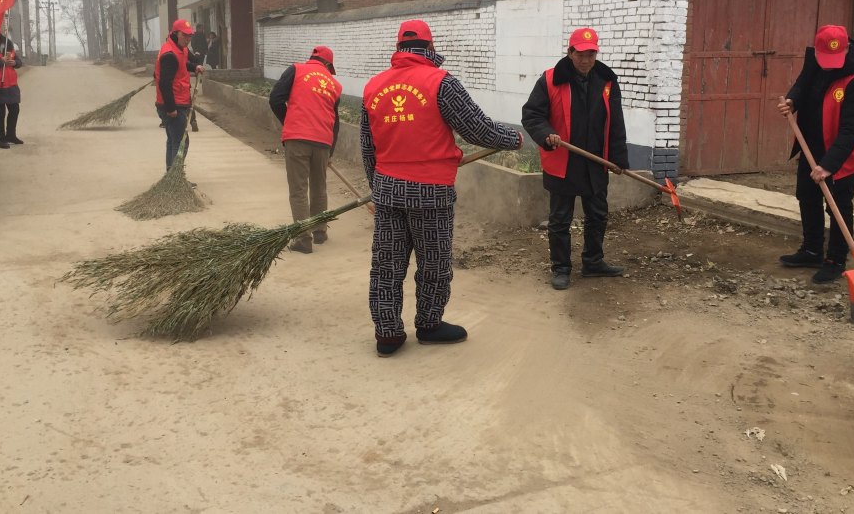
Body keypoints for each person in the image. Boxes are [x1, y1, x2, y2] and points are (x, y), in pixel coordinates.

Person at [361, 19, 522, 357]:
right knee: (433, 262)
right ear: (430, 48)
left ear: (398, 48)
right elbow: (477, 129)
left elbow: (367, 147)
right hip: (430, 192)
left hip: (388, 190)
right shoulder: (441, 83)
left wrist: (376, 188)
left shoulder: (373, 87)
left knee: (387, 264)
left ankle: (387, 333)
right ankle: (429, 325)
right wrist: (513, 138)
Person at [521, 27, 630, 291]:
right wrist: (547, 134)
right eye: (581, 54)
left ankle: (593, 262)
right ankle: (561, 268)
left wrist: (618, 159)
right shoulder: (550, 80)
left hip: (595, 161)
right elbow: (532, 115)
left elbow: (615, 121)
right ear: (570, 52)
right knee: (560, 219)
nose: (586, 60)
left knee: (598, 215)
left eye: (591, 54)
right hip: (564, 161)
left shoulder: (606, 80)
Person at [777, 25, 854, 284]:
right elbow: (803, 84)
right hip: (812, 143)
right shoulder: (815, 61)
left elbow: (853, 127)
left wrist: (829, 165)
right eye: (825, 60)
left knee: (838, 205)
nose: (829, 66)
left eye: (835, 60)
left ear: (846, 50)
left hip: (843, 152)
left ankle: (835, 259)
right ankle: (811, 250)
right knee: (807, 196)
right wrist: (792, 100)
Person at [269, 45, 342, 254]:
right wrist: (331, 151)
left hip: (297, 139)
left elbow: (275, 99)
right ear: (328, 64)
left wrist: (289, 121)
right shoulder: (334, 84)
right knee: (319, 187)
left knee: (298, 189)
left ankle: (303, 239)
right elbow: (336, 122)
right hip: (323, 141)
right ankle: (320, 231)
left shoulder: (296, 70)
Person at [154, 18, 205, 170]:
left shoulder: (179, 48)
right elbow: (164, 83)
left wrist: (194, 67)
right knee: (181, 141)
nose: (188, 39)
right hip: (173, 104)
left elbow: (182, 64)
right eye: (185, 36)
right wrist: (171, 109)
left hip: (178, 101)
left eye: (190, 36)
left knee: (173, 140)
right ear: (176, 34)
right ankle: (175, 180)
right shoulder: (169, 54)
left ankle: (171, 177)